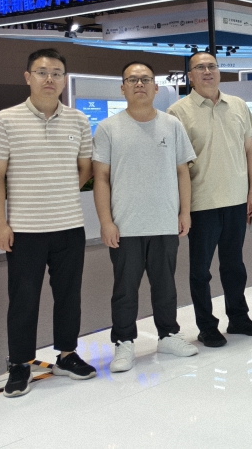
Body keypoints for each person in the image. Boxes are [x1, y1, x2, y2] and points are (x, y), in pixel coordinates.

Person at [0, 48, 98, 398]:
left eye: (57, 73)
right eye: (42, 72)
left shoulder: (78, 120)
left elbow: (85, 168)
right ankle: (20, 363)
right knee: (23, 299)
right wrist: (0, 224)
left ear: (64, 80)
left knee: (69, 295)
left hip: (69, 225)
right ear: (28, 77)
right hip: (25, 229)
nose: (50, 78)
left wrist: (58, 190)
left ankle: (67, 354)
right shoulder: (6, 119)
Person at [92, 62, 200, 372]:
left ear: (155, 87)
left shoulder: (172, 125)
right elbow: (101, 178)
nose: (139, 84)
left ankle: (168, 335)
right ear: (122, 88)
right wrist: (106, 221)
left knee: (165, 285)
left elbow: (182, 172)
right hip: (125, 225)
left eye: (145, 79)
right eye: (132, 79)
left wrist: (184, 211)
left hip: (164, 222)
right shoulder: (108, 128)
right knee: (125, 289)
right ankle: (124, 342)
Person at [167, 51, 252, 348]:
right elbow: (177, 166)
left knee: (234, 266)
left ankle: (238, 318)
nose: (207, 71)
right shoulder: (177, 112)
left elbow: (250, 150)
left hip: (236, 200)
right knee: (200, 271)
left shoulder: (238, 105)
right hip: (201, 204)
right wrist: (183, 209)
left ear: (219, 71)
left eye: (212, 66)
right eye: (200, 67)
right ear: (190, 76)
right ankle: (207, 326)